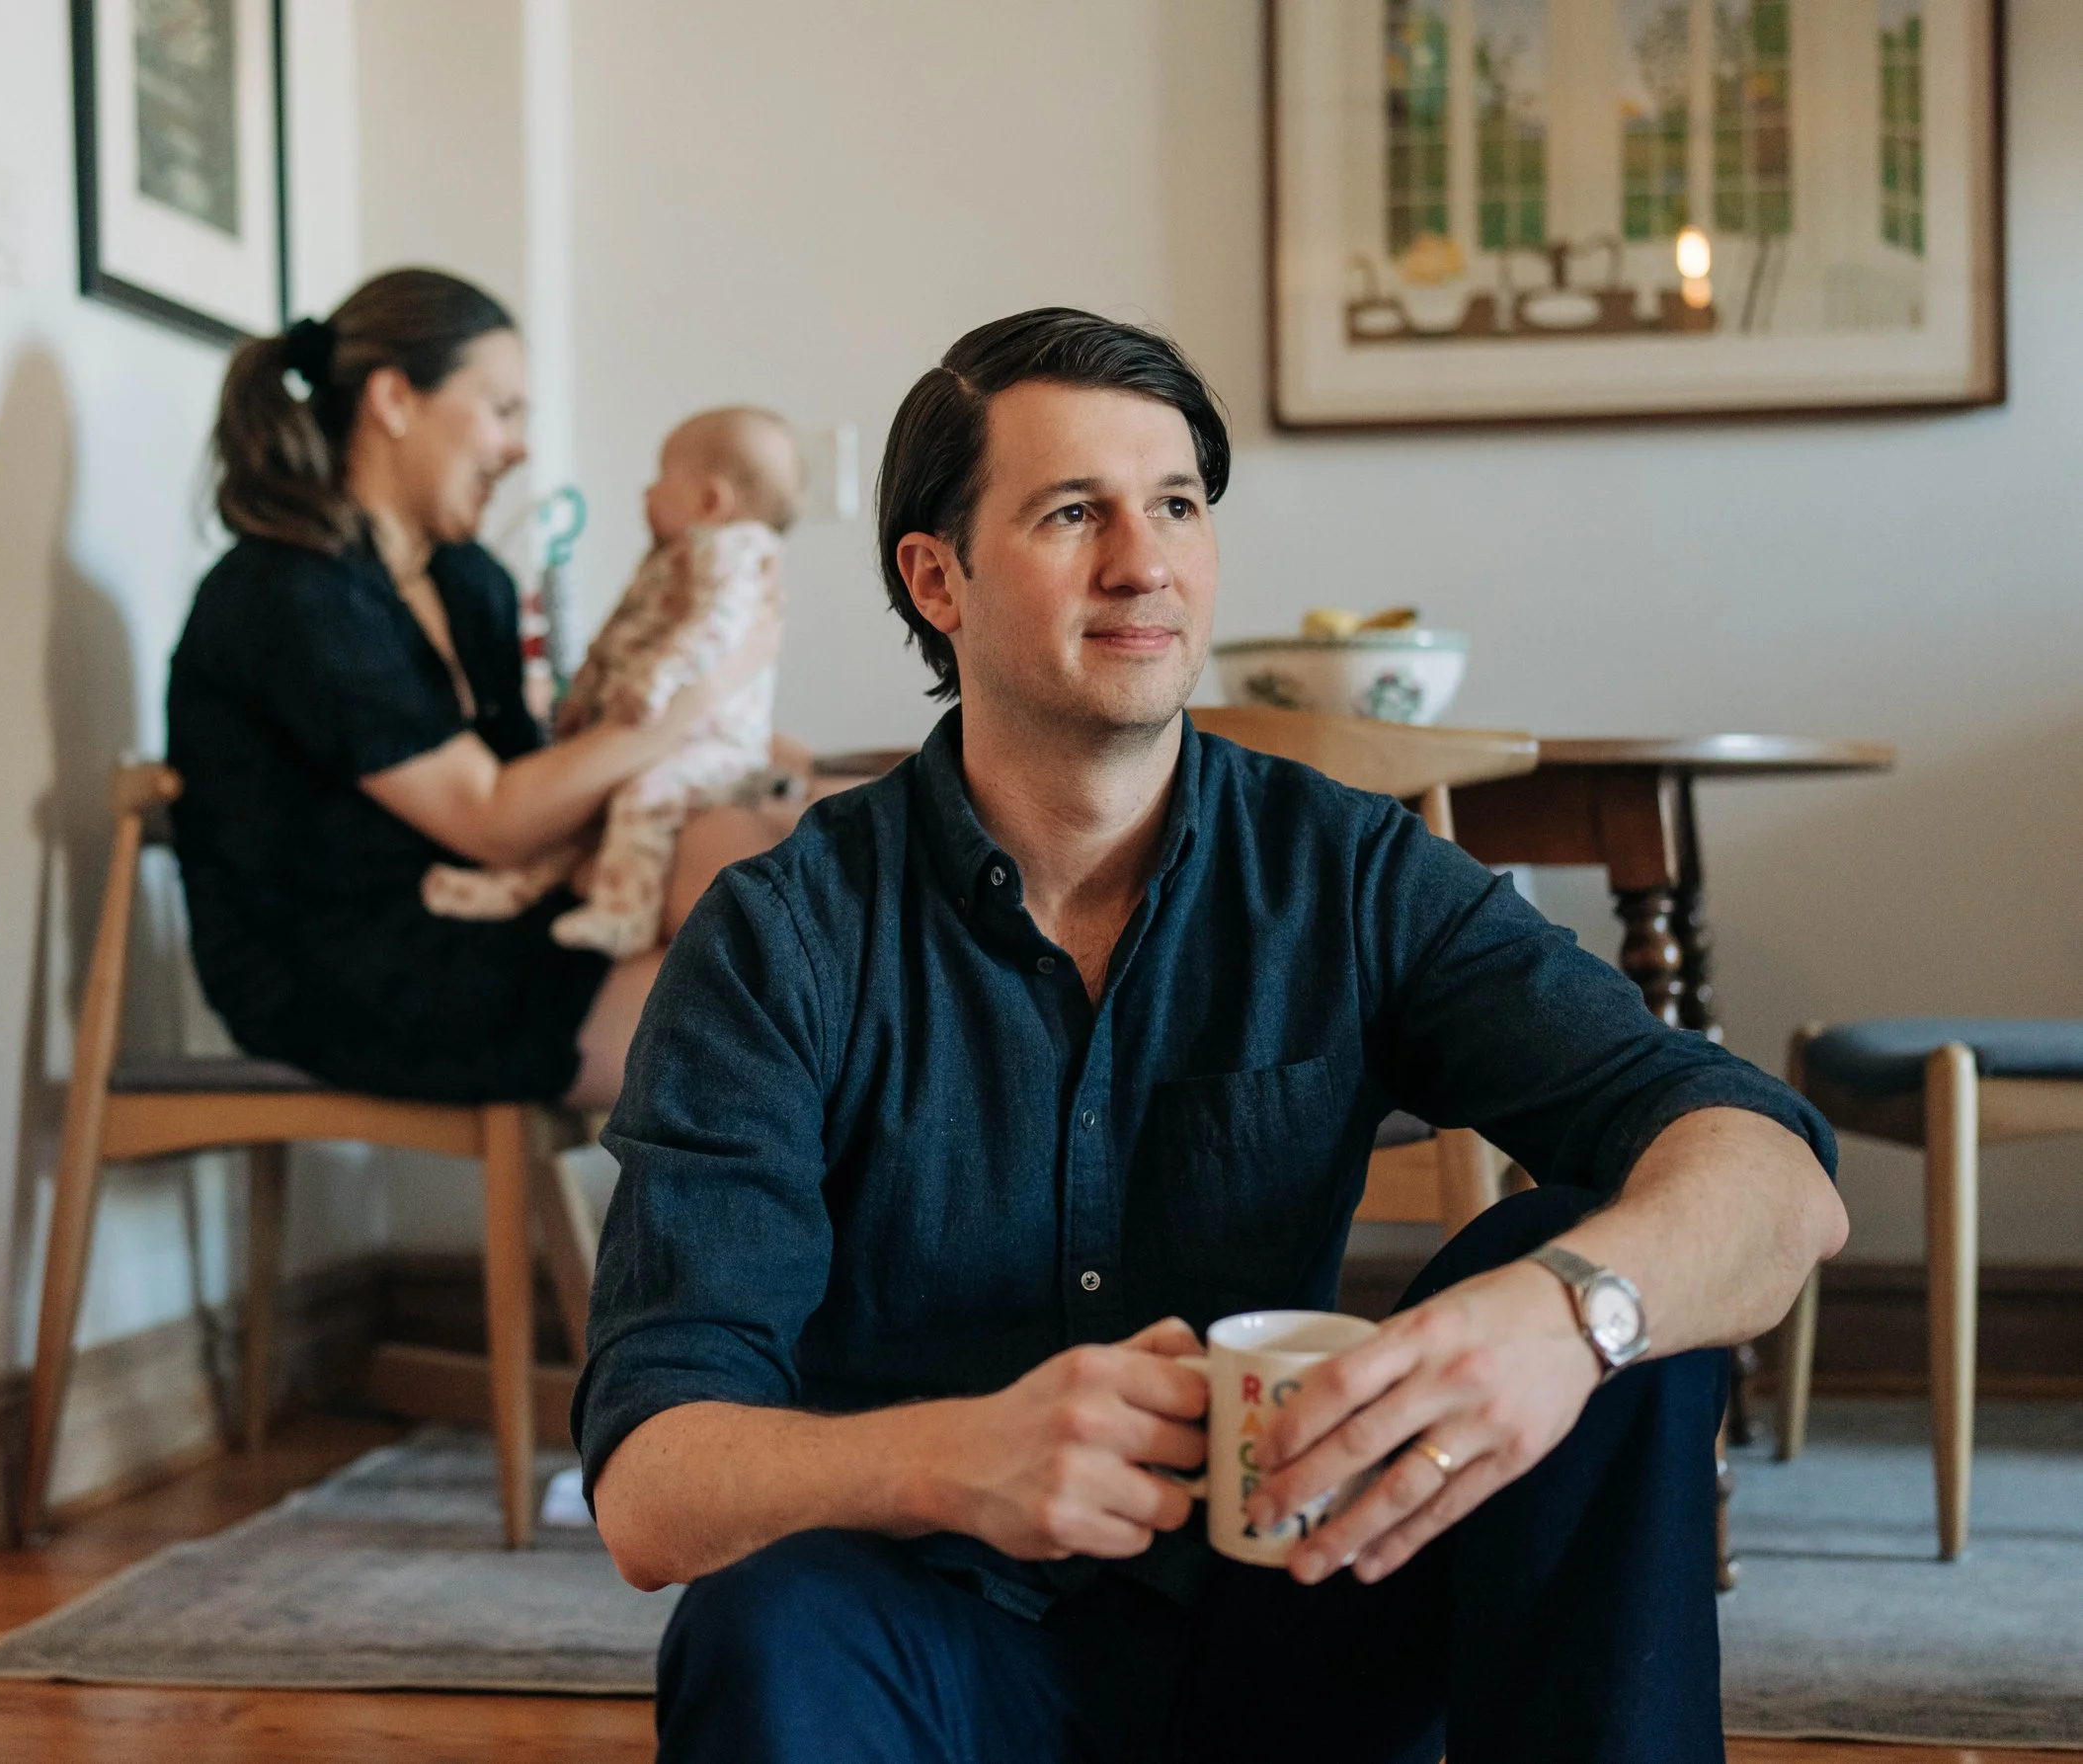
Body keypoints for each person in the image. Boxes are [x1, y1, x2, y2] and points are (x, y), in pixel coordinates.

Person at [571, 308, 1850, 1763]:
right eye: (1073, 512)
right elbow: (652, 1480)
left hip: (1305, 1624)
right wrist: (956, 1457)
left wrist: (1570, 1317)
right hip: (930, 1650)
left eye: (1176, 503)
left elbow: (1777, 1177)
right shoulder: (784, 935)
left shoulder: (1346, 873)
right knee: (763, 1615)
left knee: (1601, 1280)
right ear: (940, 578)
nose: (1145, 560)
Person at [165, 269, 782, 1109]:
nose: (520, 447)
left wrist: (758, 759)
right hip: (349, 964)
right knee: (772, 1016)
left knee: (773, 849)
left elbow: (547, 789)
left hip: (489, 916)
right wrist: (703, 696)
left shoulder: (471, 581)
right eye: (502, 410)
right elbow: (495, 819)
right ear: (394, 401)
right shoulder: (288, 593)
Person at [419, 407, 803, 959]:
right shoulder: (672, 557)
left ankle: (626, 914)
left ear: (711, 501)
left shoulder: (735, 552)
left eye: (661, 477)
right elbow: (619, 635)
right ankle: (511, 889)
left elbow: (713, 632)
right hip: (657, 729)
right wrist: (583, 692)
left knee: (642, 799)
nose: (647, 491)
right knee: (577, 820)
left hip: (704, 744)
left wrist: (657, 679)